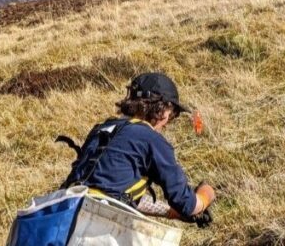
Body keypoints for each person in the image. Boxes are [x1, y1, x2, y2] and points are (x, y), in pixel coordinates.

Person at [60, 72, 216, 227]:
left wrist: (171, 213)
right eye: (173, 113)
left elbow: (114, 195)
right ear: (161, 109)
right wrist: (206, 195)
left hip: (62, 213)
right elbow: (187, 204)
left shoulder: (101, 130)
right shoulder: (151, 140)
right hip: (96, 226)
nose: (169, 121)